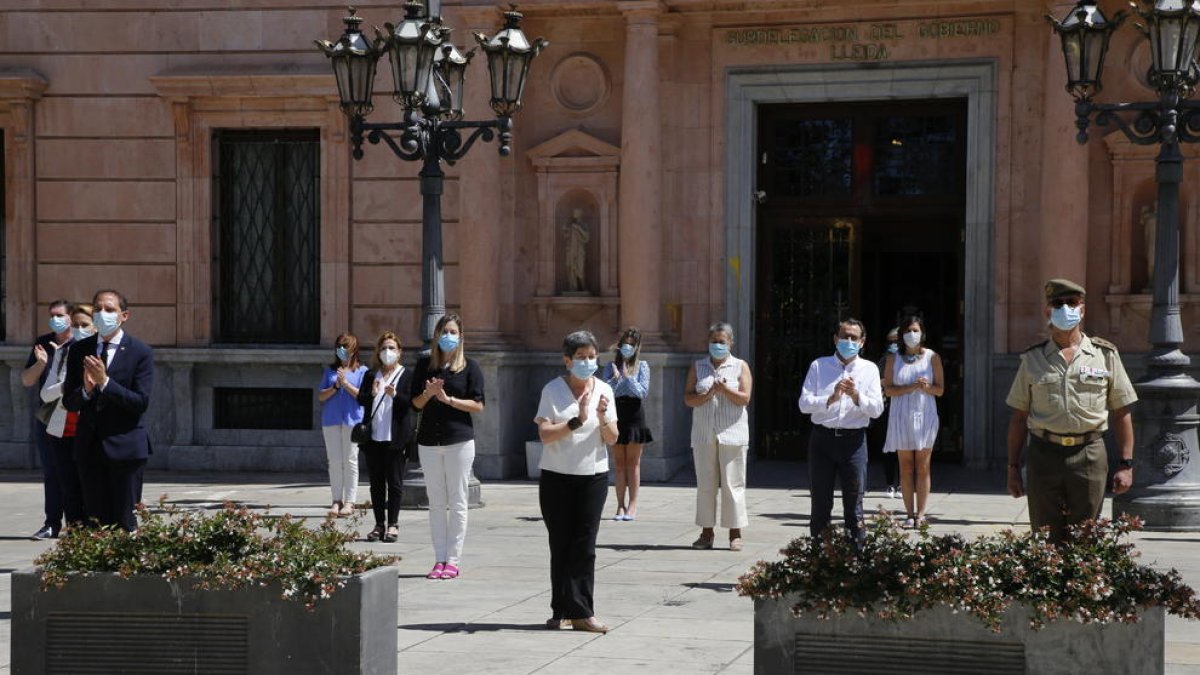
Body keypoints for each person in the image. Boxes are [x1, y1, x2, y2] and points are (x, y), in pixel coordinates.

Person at [1005, 278, 1137, 543]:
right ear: (1048, 311)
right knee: (1044, 538)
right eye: (1058, 303)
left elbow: (1121, 411)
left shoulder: (1105, 355)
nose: (1065, 308)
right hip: (1044, 453)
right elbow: (1019, 417)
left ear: (1082, 309)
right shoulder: (1033, 358)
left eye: (1072, 303)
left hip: (1089, 454)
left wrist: (1125, 464)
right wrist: (1012, 468)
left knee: (1086, 536)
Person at [535, 330, 618, 633]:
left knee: (585, 545)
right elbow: (545, 434)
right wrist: (576, 421)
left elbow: (612, 438)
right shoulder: (552, 390)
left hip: (592, 476)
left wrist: (602, 417)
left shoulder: (604, 390)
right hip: (557, 476)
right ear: (567, 360)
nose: (587, 362)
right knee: (561, 544)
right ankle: (561, 610)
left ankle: (583, 611)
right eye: (581, 357)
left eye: (592, 357)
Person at [62, 289, 154, 531]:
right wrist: (85, 389)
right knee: (95, 521)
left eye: (110, 310)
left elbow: (140, 402)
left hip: (125, 448)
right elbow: (69, 402)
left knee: (125, 521)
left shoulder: (140, 352)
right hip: (89, 448)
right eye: (98, 309)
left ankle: (124, 568)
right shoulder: (80, 350)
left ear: (124, 316)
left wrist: (105, 383)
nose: (103, 314)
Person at [798, 318, 884, 547]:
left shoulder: (869, 369)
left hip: (853, 442)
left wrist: (857, 397)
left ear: (862, 342)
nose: (848, 341)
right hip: (822, 440)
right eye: (844, 336)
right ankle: (818, 561)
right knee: (820, 505)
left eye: (853, 338)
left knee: (854, 505)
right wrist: (830, 398)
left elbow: (877, 410)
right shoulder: (819, 365)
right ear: (836, 339)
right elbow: (804, 404)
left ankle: (856, 560)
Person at [411, 313, 485, 581]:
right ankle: (438, 559)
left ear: (460, 336)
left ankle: (453, 560)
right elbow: (414, 404)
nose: (448, 336)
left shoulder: (469, 367)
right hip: (429, 441)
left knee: (458, 500)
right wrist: (429, 395)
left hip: (459, 441)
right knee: (436, 502)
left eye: (453, 332)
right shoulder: (424, 366)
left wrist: (448, 399)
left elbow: (478, 405)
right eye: (444, 331)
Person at [685, 321, 753, 551]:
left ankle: (735, 533)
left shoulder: (740, 366)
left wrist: (725, 390)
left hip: (732, 433)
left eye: (721, 342)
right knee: (706, 484)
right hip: (704, 433)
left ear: (730, 343)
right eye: (713, 341)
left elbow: (745, 398)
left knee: (733, 483)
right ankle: (706, 533)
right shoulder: (698, 366)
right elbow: (688, 398)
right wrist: (709, 393)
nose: (717, 345)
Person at [882, 315, 944, 527]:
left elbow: (940, 389)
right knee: (906, 467)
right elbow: (888, 390)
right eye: (908, 331)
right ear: (901, 335)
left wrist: (926, 387)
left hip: (924, 414)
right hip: (901, 416)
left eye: (916, 330)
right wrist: (911, 387)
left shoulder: (932, 357)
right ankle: (909, 513)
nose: (912, 335)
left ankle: (922, 513)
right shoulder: (893, 359)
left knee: (923, 466)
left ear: (923, 333)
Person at [21, 300, 74, 538]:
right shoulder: (42, 343)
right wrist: (41, 364)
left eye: (60, 315)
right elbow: (27, 380)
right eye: (52, 316)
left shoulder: (82, 342)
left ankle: (79, 523)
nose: (56, 320)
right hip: (49, 417)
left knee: (77, 471)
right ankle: (52, 522)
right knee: (52, 471)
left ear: (71, 318)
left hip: (75, 415)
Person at [355, 332, 415, 544]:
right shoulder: (372, 375)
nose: (387, 352)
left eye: (391, 348)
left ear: (399, 352)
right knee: (376, 484)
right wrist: (370, 394)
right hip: (373, 438)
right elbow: (361, 399)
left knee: (395, 483)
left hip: (396, 438)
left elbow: (411, 404)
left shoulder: (406, 375)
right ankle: (379, 524)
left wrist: (395, 395)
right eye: (383, 348)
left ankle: (393, 524)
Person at [39, 303, 94, 531]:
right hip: (63, 429)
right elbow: (45, 394)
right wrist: (69, 384)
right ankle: (73, 535)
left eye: (85, 325)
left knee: (90, 487)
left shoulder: (103, 352)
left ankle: (94, 534)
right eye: (77, 324)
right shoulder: (63, 352)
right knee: (68, 487)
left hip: (91, 430)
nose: (80, 329)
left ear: (94, 327)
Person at [604, 327, 652, 521]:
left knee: (633, 463)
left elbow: (642, 392)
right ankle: (620, 505)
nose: (628, 347)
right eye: (625, 343)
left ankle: (632, 505)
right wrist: (615, 379)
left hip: (634, 413)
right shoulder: (609, 366)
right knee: (619, 463)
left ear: (637, 347)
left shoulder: (643, 366)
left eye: (632, 344)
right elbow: (605, 390)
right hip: (616, 413)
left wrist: (628, 378)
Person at [317, 333, 367, 517]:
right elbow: (321, 396)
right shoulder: (330, 371)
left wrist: (345, 383)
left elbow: (363, 396)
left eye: (346, 347)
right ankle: (336, 500)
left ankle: (350, 501)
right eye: (339, 346)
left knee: (351, 460)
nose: (342, 350)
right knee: (335, 461)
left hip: (352, 421)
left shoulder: (362, 371)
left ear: (354, 350)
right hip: (331, 420)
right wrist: (335, 386)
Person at [871, 328, 900, 499]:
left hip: (905, 406)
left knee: (905, 448)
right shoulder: (884, 360)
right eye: (891, 342)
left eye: (897, 341)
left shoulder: (912, 360)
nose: (894, 345)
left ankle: (905, 484)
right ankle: (890, 484)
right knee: (889, 448)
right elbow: (877, 380)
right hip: (888, 406)